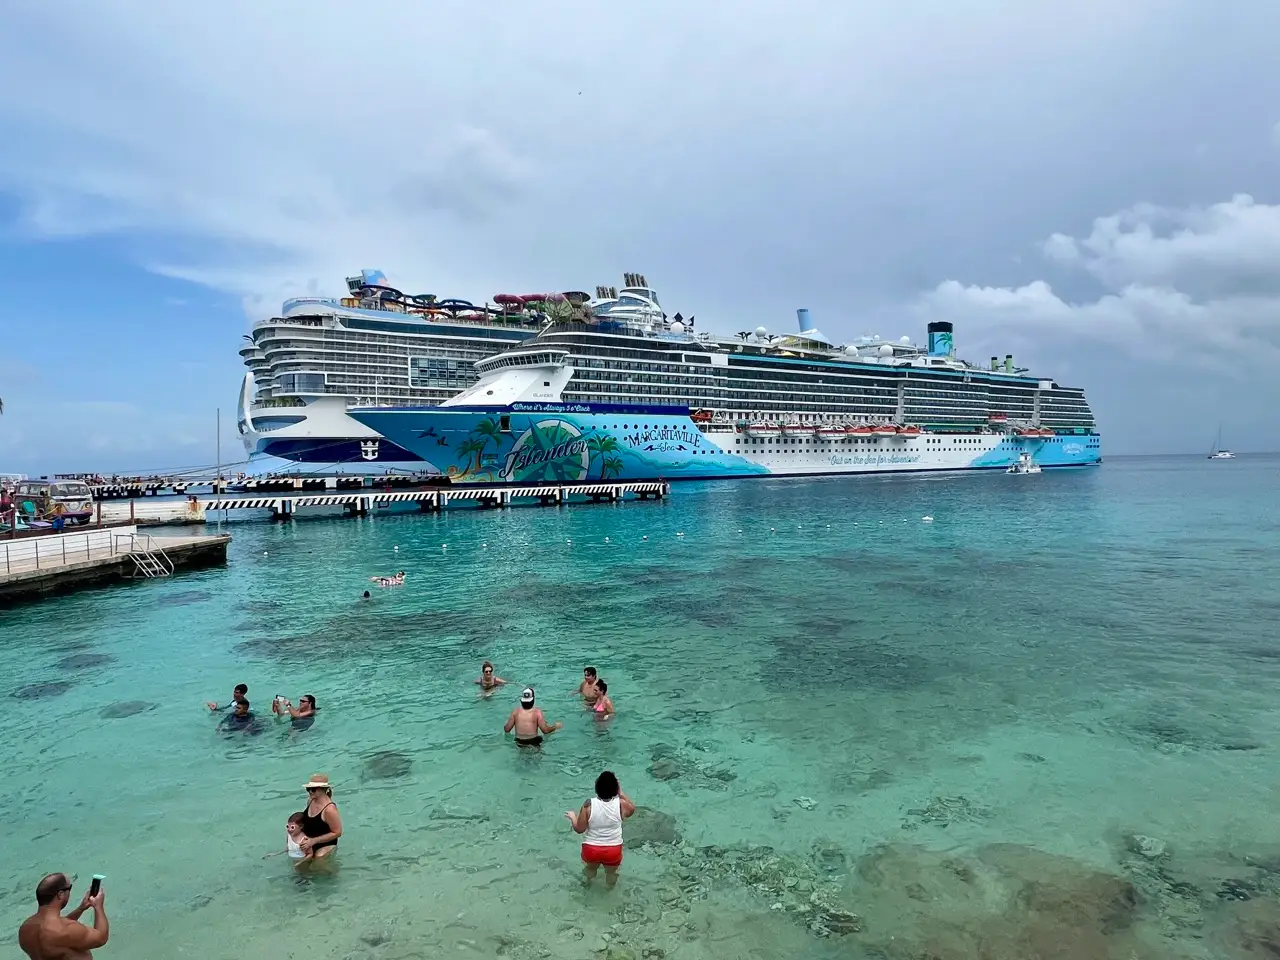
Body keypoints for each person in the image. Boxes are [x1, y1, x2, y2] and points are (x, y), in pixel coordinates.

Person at [565, 770, 635, 888]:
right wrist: (621, 792)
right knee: (611, 873)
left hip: (591, 849)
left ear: (596, 787)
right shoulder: (621, 804)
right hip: (613, 850)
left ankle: (588, 884)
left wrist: (573, 817)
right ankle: (609, 891)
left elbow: (579, 829)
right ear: (615, 789)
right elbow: (632, 809)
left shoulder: (589, 804)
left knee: (590, 870)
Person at [18, 872, 109, 959]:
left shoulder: (25, 928)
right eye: (69, 888)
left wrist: (81, 908)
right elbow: (101, 938)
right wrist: (98, 906)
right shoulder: (65, 929)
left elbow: (56, 930)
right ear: (60, 894)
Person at [299, 774, 343, 858]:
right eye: (308, 789)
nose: (310, 792)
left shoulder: (329, 809)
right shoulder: (310, 801)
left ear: (323, 789)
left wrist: (314, 841)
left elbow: (337, 832)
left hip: (325, 844)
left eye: (313, 789)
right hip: (309, 842)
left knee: (318, 863)